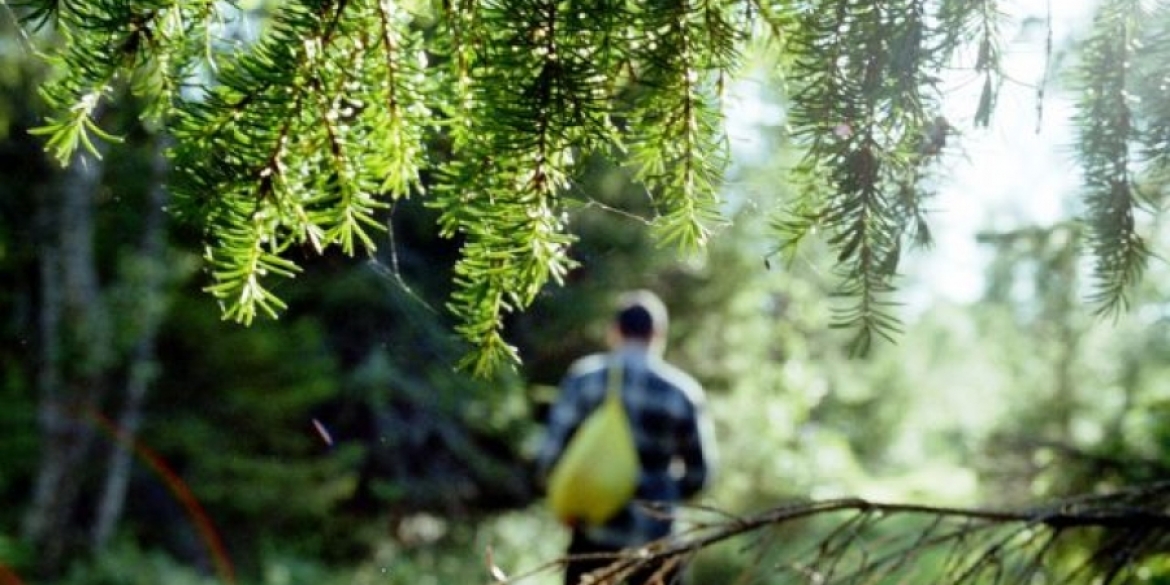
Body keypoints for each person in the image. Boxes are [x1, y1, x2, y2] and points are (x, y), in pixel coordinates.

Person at [537, 290, 717, 585]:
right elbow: (700, 474)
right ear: (658, 334)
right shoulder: (683, 393)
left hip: (592, 537)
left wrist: (567, 502)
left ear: (615, 331)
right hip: (657, 546)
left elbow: (550, 456)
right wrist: (661, 497)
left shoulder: (585, 378)